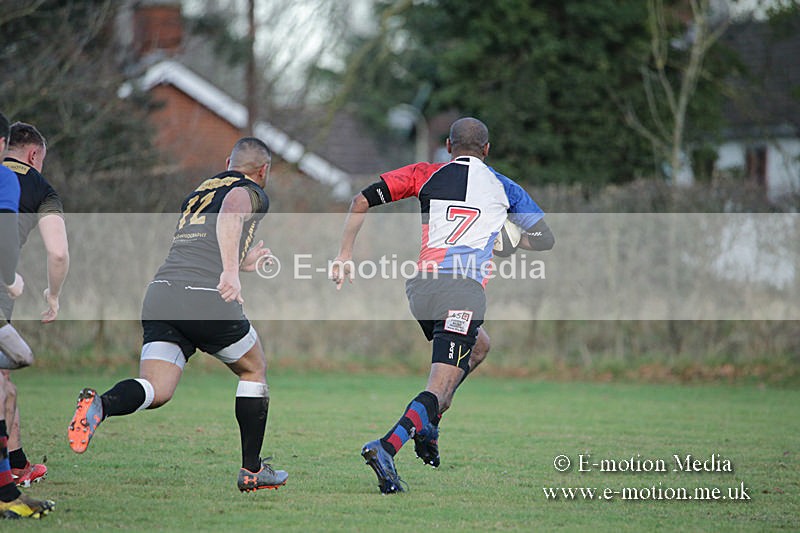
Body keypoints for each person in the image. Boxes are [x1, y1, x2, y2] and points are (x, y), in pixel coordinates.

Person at [330, 117, 554, 494]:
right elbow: (543, 238)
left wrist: (344, 254)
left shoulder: (425, 174)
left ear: (448, 147)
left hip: (421, 290)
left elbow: (360, 199)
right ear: (487, 150)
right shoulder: (505, 186)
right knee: (438, 387)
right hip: (462, 292)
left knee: (480, 346)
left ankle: (428, 423)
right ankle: (387, 447)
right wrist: (507, 243)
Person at [67, 137, 288, 492]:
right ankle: (252, 471)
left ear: (228, 160)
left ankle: (101, 407)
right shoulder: (250, 190)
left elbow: (200, 243)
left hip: (162, 293)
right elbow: (232, 212)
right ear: (263, 171)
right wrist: (230, 272)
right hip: (203, 297)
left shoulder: (201, 190)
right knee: (254, 368)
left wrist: (238, 263)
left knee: (156, 388)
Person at [1, 122, 69, 489]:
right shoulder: (40, 187)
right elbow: (58, 252)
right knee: (3, 378)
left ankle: (17, 462)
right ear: (33, 155)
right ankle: (11, 469)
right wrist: (53, 295)